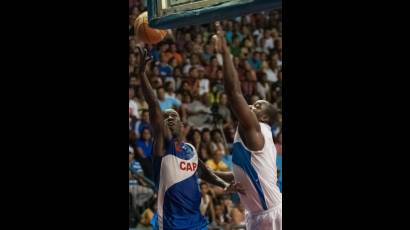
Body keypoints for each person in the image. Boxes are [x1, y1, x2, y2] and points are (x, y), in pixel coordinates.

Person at [137, 47, 245, 230]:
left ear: (182, 124)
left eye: (173, 116)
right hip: (171, 223)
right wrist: (141, 73)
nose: (169, 118)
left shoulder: (191, 149)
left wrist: (225, 184)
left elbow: (203, 172)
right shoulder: (162, 146)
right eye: (165, 117)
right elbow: (154, 105)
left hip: (196, 221)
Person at [213, 23, 282, 230]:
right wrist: (203, 171)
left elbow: (234, 93)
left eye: (258, 105)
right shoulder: (259, 136)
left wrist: (225, 53)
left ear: (263, 117)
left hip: (271, 214)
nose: (252, 105)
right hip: (258, 213)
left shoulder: (255, 129)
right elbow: (244, 174)